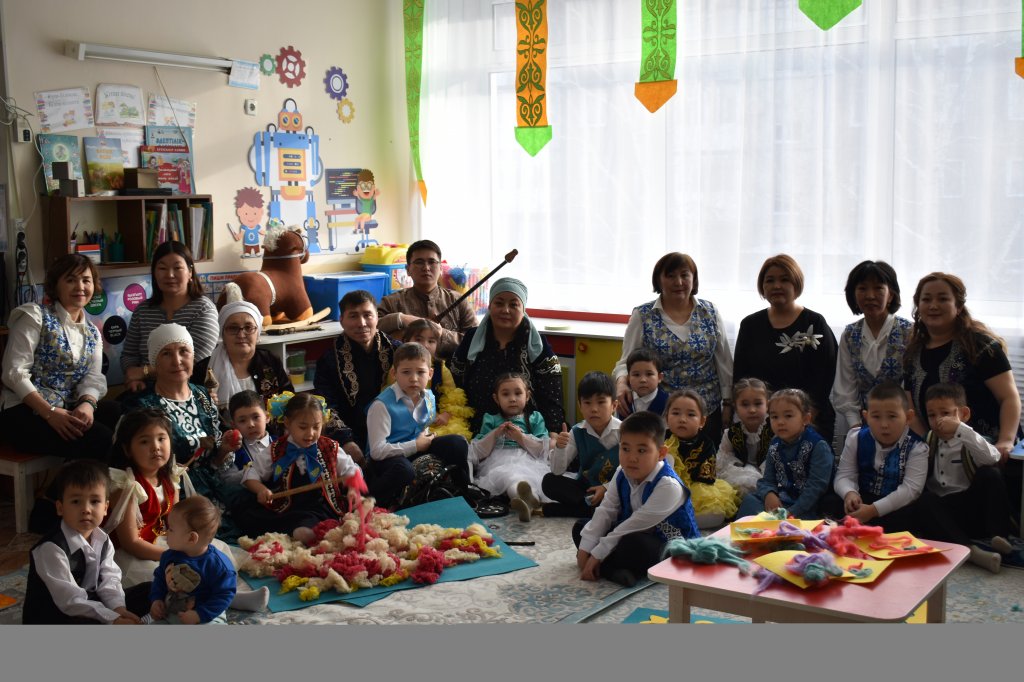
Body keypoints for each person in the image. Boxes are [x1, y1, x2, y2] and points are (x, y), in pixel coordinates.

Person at [103, 407, 269, 612]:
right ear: (127, 449)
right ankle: (229, 600)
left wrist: (187, 547)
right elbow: (131, 543)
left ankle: (227, 595)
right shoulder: (126, 484)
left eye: (161, 439)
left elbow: (174, 521)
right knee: (168, 575)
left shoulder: (170, 476)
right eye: (144, 442)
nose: (155, 447)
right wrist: (173, 554)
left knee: (216, 551)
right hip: (136, 555)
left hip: (165, 541)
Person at [903, 272, 1022, 524]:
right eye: (926, 299)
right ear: (918, 306)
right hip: (941, 453)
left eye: (942, 299)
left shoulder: (980, 345)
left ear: (958, 306)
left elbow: (1009, 397)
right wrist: (927, 445)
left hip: (986, 452)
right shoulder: (913, 351)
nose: (933, 305)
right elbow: (910, 406)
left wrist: (1005, 440)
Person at [121, 324, 244, 537]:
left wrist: (224, 449)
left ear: (192, 357)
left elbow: (213, 461)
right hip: (173, 494)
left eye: (183, 351)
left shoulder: (202, 395)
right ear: (154, 362)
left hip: (213, 486)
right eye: (166, 354)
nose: (177, 361)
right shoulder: (143, 407)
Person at [1, 254, 114, 461]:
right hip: (24, 411)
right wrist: (50, 412)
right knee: (101, 439)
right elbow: (13, 372)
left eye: (86, 280)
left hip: (67, 407)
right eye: (71, 280)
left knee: (124, 418)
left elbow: (93, 378)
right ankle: (83, 482)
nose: (80, 287)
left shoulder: (92, 332)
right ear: (55, 286)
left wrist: (87, 405)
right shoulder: (34, 316)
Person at [612, 253, 733, 439]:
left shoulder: (710, 312)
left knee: (707, 457)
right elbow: (626, 361)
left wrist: (728, 403)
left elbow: (724, 362)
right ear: (659, 280)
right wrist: (621, 383)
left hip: (705, 410)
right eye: (670, 276)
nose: (678, 282)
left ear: (694, 279)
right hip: (661, 411)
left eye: (685, 275)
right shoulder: (643, 315)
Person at [573, 410, 700, 587]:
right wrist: (584, 551)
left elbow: (634, 525)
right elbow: (607, 510)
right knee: (581, 527)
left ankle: (607, 568)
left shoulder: (668, 486)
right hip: (632, 532)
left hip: (670, 545)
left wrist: (595, 555)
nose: (632, 458)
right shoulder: (621, 472)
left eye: (641, 450)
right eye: (625, 449)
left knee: (633, 544)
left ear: (661, 453)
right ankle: (615, 570)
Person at [905, 383, 1014, 573]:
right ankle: (971, 552)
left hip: (974, 510)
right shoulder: (927, 442)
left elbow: (993, 458)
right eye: (932, 415)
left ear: (964, 414)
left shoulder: (971, 439)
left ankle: (999, 537)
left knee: (991, 474)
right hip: (947, 516)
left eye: (946, 413)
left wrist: (960, 429)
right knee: (925, 501)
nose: (939, 420)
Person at [733, 254, 838, 444]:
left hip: (810, 420)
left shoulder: (815, 323)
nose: (777, 286)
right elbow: (741, 376)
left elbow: (825, 376)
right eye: (770, 280)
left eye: (784, 279)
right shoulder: (750, 325)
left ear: (796, 283)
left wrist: (803, 418)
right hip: (762, 421)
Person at [23, 460, 143, 624]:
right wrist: (113, 620)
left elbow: (110, 579)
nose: (86, 509)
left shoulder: (103, 539)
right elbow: (71, 601)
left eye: (94, 501)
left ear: (105, 508)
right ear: (60, 508)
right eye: (76, 501)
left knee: (148, 590)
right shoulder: (51, 548)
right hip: (57, 615)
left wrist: (118, 609)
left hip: (91, 602)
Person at [233, 392, 366, 538]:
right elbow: (252, 474)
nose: (310, 433)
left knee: (306, 526)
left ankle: (307, 532)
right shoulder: (276, 448)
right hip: (286, 506)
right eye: (303, 427)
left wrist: (352, 488)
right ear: (287, 423)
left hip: (320, 507)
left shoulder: (330, 447)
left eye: (316, 427)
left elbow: (352, 470)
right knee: (245, 512)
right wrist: (261, 490)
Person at [451, 277, 564, 434]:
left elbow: (552, 396)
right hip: (477, 431)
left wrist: (553, 432)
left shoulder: (537, 344)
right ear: (489, 306)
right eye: (499, 303)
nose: (505, 310)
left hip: (527, 431)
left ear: (523, 310)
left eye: (513, 304)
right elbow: (454, 384)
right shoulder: (472, 339)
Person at [365, 342, 470, 509]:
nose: (413, 378)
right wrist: (415, 445)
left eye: (420, 372)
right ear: (394, 373)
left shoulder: (428, 396)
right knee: (404, 470)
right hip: (388, 459)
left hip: (416, 449)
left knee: (457, 443)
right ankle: (371, 502)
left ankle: (462, 493)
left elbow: (422, 426)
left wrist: (427, 437)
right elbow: (377, 452)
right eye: (406, 372)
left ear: (430, 374)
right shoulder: (381, 405)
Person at [827, 381, 928, 530]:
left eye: (892, 416)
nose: (884, 425)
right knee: (830, 502)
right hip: (863, 499)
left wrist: (873, 510)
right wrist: (849, 493)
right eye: (876, 417)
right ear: (866, 417)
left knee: (913, 513)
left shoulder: (917, 447)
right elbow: (844, 475)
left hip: (895, 506)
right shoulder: (856, 437)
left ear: (908, 417)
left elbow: (911, 490)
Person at [121, 241, 218, 392]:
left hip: (189, 390)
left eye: (177, 268)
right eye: (162, 268)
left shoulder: (204, 310)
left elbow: (192, 362)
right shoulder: (142, 310)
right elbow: (129, 354)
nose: (170, 275)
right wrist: (134, 379)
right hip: (145, 391)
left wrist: (143, 372)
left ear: (190, 272)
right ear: (154, 273)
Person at [314, 289, 399, 455]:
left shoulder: (397, 351)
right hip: (351, 436)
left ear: (377, 317)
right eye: (353, 316)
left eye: (367, 315)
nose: (362, 323)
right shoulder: (329, 360)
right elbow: (326, 406)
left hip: (395, 431)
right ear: (342, 320)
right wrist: (346, 441)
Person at [834, 260, 912, 432]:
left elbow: (912, 385)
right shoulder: (849, 335)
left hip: (904, 426)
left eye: (878, 288)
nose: (870, 296)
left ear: (890, 295)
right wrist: (856, 428)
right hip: (862, 427)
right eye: (862, 289)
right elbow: (845, 387)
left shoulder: (909, 332)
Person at [736, 388, 835, 520]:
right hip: (784, 498)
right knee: (750, 500)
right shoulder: (775, 444)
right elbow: (767, 480)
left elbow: (816, 487)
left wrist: (791, 512)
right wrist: (769, 493)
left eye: (788, 416)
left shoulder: (818, 446)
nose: (780, 422)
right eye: (774, 417)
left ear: (806, 418)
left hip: (810, 502)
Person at [191, 300, 293, 424]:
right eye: (233, 328)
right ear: (223, 334)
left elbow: (290, 402)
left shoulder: (270, 361)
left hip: (270, 433)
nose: (241, 334)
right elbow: (193, 414)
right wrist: (204, 404)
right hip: (222, 435)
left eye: (248, 328)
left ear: (258, 333)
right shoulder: (203, 369)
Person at [377, 240, 479, 360]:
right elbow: (370, 330)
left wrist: (441, 333)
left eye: (432, 262)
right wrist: (402, 318)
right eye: (419, 262)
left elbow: (477, 341)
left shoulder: (459, 301)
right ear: (408, 269)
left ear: (441, 268)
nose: (426, 268)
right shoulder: (391, 302)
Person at [470, 372, 552, 522]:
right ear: (496, 398)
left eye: (518, 393)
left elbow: (542, 450)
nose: (512, 399)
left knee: (529, 478)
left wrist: (520, 437)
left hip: (528, 460)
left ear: (527, 396)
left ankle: (530, 499)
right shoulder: (491, 419)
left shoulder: (534, 418)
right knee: (509, 477)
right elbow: (479, 452)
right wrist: (496, 433)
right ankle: (525, 500)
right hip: (499, 461)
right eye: (506, 394)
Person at [541, 371, 620, 519]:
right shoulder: (577, 431)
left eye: (601, 402)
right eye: (587, 403)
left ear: (614, 405)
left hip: (614, 489)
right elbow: (557, 471)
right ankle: (590, 509)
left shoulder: (624, 432)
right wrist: (560, 447)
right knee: (549, 481)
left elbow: (629, 472)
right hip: (586, 488)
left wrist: (606, 488)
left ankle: (579, 510)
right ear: (580, 406)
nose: (594, 409)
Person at [148, 496, 236, 624]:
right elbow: (160, 578)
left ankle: (243, 600)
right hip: (171, 611)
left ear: (191, 538)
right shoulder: (169, 555)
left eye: (171, 529)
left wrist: (199, 615)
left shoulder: (219, 566)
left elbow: (224, 595)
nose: (166, 533)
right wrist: (156, 599)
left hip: (206, 615)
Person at [663, 389, 738, 526]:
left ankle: (685, 520)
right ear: (667, 417)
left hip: (696, 487)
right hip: (666, 486)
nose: (682, 419)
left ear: (702, 421)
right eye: (676, 413)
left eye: (691, 414)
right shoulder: (662, 439)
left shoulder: (706, 444)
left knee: (714, 512)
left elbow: (706, 478)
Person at [402, 318, 473, 441]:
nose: (425, 345)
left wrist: (446, 414)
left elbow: (453, 395)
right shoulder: (399, 368)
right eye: (418, 339)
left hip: (438, 420)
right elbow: (395, 397)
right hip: (408, 419)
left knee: (456, 439)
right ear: (406, 341)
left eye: (431, 341)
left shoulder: (441, 368)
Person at [716, 377, 774, 496]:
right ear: (736, 408)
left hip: (768, 475)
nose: (752, 410)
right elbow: (723, 459)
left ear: (767, 405)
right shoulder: (731, 433)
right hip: (741, 474)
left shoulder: (774, 430)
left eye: (758, 404)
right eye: (745, 405)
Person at [615, 348, 669, 419]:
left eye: (649, 374)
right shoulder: (622, 401)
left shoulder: (668, 402)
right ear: (628, 378)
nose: (643, 380)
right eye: (636, 375)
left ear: (659, 377)